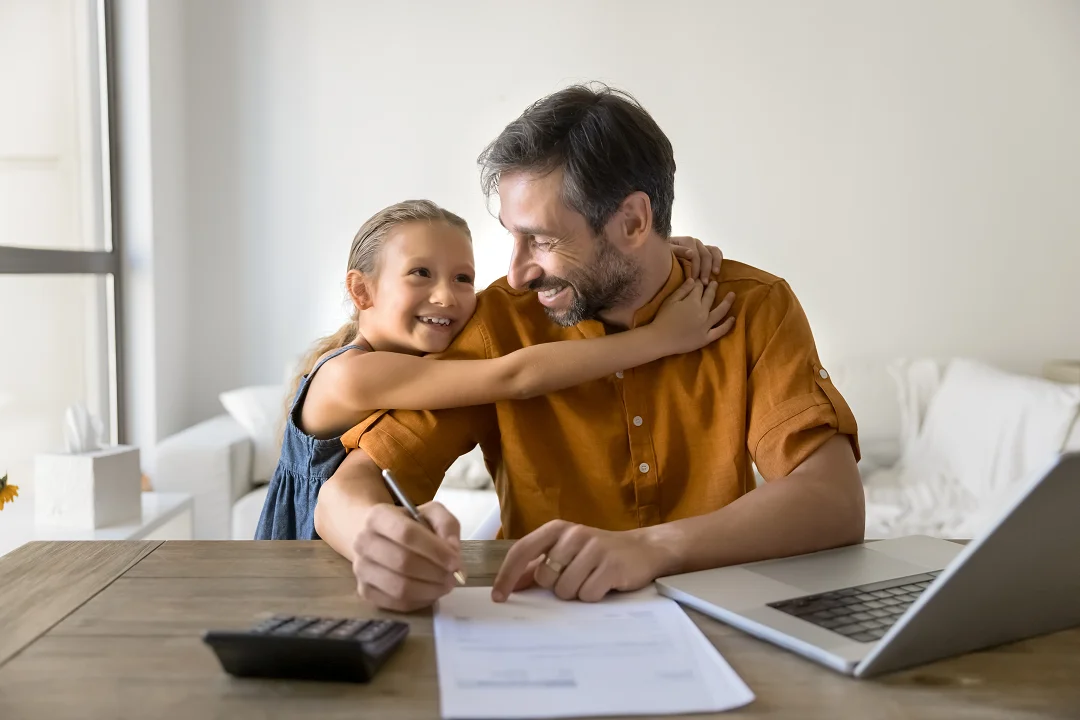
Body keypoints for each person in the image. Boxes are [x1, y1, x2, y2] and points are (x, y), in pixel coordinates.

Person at [316, 85, 864, 613]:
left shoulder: (753, 307)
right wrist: (375, 540)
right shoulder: (497, 325)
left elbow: (834, 501)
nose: (517, 270)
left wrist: (654, 548)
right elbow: (347, 491)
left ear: (632, 222)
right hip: (539, 624)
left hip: (721, 625)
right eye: (512, 235)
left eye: (544, 240)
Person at [255, 199, 735, 540]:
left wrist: (647, 252)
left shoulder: (413, 359)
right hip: (317, 558)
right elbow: (514, 375)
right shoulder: (350, 374)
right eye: (420, 273)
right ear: (361, 292)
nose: (446, 295)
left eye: (463, 278)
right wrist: (659, 339)